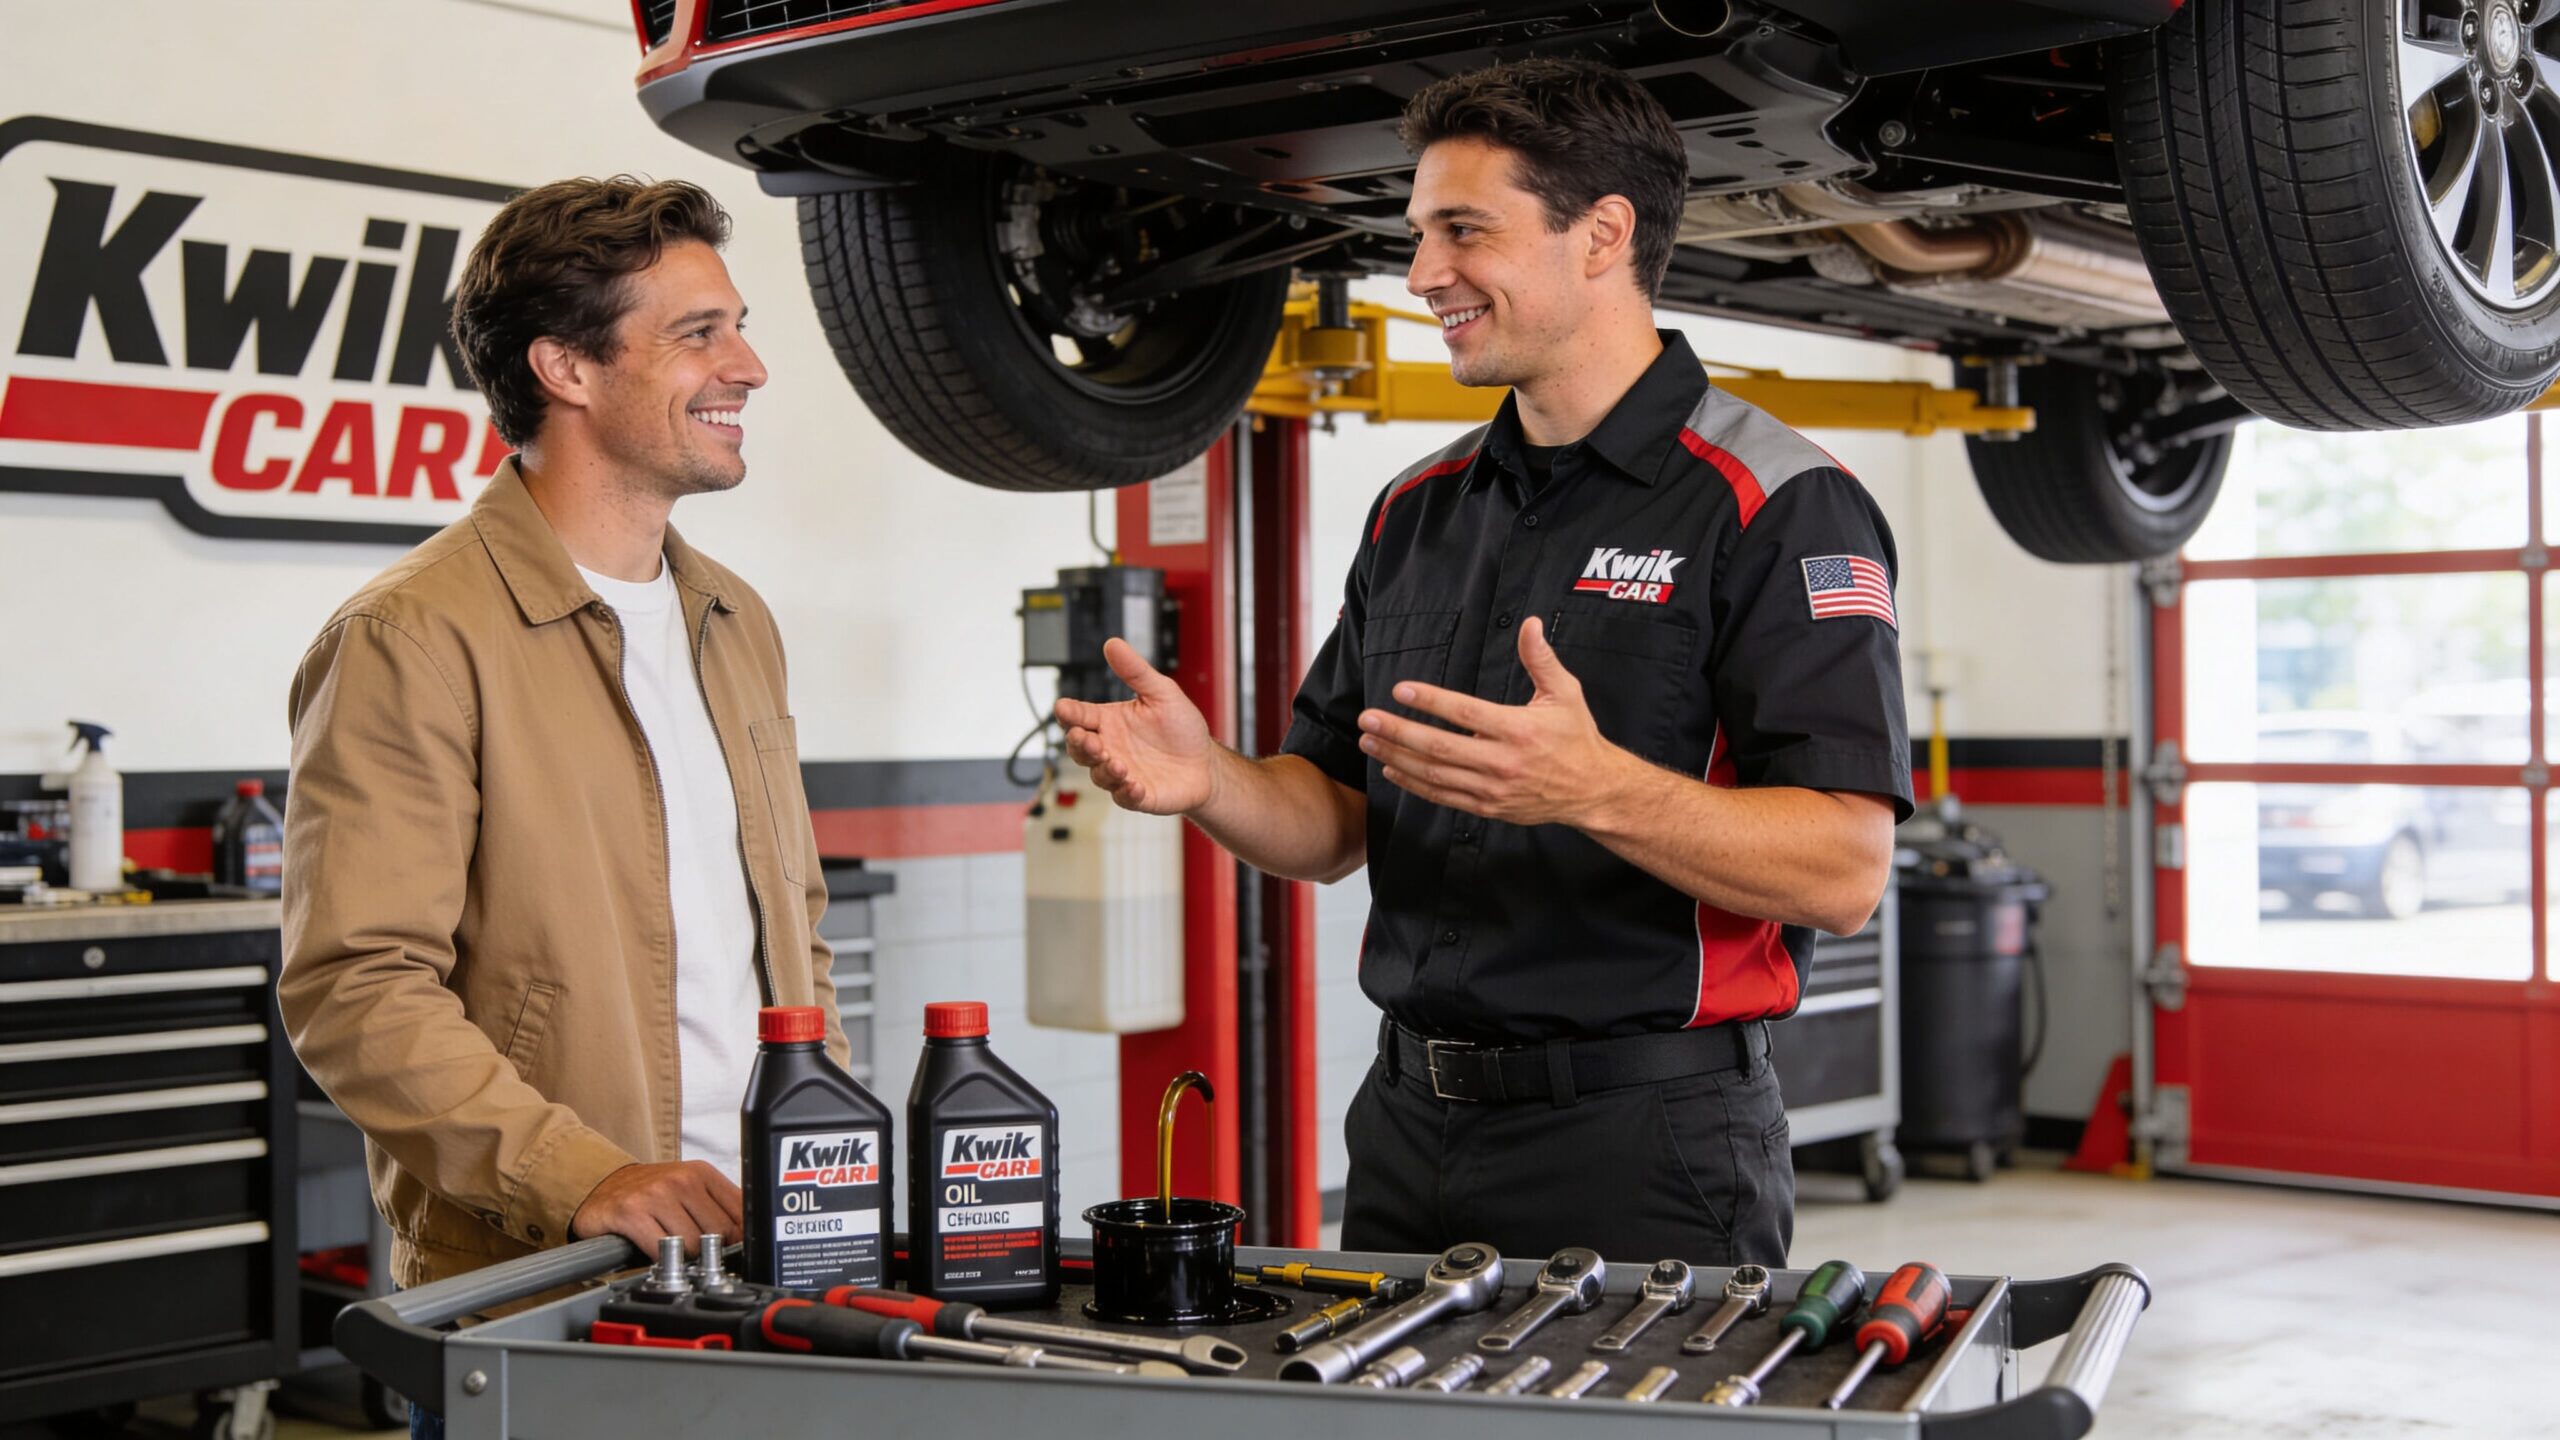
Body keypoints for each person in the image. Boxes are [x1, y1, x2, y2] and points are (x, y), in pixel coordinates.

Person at [1056, 59, 1910, 1266]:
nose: (1421, 273)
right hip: (1408, 1130)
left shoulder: (1776, 504)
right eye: (1417, 233)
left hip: (1646, 1143)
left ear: (1602, 234)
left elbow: (1843, 867)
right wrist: (1212, 783)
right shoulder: (1419, 509)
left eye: (1464, 230)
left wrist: (1593, 789)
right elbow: (1336, 822)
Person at [279, 178, 843, 1319]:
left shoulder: (732, 621)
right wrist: (582, 1178)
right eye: (699, 334)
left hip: (765, 1261)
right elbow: (357, 986)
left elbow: (797, 934)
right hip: (546, 1288)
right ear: (566, 369)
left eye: (739, 328)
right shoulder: (414, 636)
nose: (749, 366)